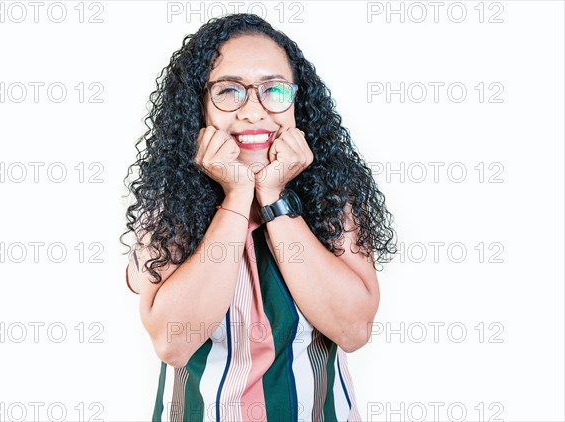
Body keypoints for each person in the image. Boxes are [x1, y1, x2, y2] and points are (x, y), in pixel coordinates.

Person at [121, 13, 397, 422]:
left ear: (296, 101)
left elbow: (354, 330)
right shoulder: (169, 206)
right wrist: (236, 196)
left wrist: (273, 196)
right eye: (229, 91)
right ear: (198, 105)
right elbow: (172, 342)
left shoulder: (333, 199)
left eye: (273, 90)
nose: (254, 112)